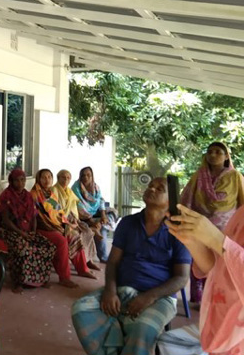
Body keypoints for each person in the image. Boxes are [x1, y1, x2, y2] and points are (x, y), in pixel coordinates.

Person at [72, 178, 191, 355]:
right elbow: (112, 262)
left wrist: (149, 297)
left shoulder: (178, 231)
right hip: (122, 289)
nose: (151, 189)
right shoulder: (128, 223)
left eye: (159, 189)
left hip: (159, 296)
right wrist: (110, 291)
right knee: (80, 309)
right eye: (150, 185)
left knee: (142, 329)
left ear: (170, 201)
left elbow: (181, 277)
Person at [165, 202, 244, 354]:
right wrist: (191, 240)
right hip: (220, 329)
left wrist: (217, 240)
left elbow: (226, 250)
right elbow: (218, 269)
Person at [180, 141, 244, 305]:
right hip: (199, 227)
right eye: (210, 151)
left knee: (222, 264)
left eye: (218, 152)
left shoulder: (236, 177)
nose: (213, 155)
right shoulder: (198, 176)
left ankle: (219, 300)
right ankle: (199, 299)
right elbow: (187, 197)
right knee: (198, 259)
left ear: (226, 157)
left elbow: (242, 203)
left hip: (225, 231)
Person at [0, 168, 56, 293]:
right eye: (17, 180)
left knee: (48, 246)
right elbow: (6, 221)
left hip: (27, 231)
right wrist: (22, 234)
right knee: (22, 248)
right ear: (11, 181)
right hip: (9, 231)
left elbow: (33, 216)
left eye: (23, 180)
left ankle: (40, 279)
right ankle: (18, 282)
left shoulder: (27, 195)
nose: (20, 183)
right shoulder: (6, 196)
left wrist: (33, 232)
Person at [31, 169, 96, 288]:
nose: (47, 180)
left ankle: (82, 269)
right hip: (42, 228)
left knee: (74, 236)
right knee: (61, 241)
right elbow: (36, 217)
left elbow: (59, 213)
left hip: (56, 226)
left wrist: (69, 224)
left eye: (49, 177)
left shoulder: (50, 194)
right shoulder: (34, 194)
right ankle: (64, 278)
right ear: (38, 179)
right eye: (43, 178)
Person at [52, 169, 100, 271]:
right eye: (63, 177)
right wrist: (69, 223)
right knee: (76, 235)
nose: (65, 180)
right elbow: (56, 212)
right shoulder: (54, 191)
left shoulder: (69, 191)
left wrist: (75, 221)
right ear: (58, 178)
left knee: (87, 232)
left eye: (68, 178)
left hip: (71, 219)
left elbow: (73, 209)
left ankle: (89, 260)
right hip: (59, 221)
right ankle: (82, 267)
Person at [72, 166, 111, 263]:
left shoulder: (96, 187)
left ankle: (98, 226)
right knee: (101, 228)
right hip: (81, 216)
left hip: (94, 214)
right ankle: (103, 257)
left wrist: (103, 215)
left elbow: (101, 201)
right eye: (83, 175)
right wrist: (92, 221)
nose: (86, 177)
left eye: (88, 175)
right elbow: (79, 207)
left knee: (111, 215)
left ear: (92, 176)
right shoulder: (76, 188)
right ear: (80, 176)